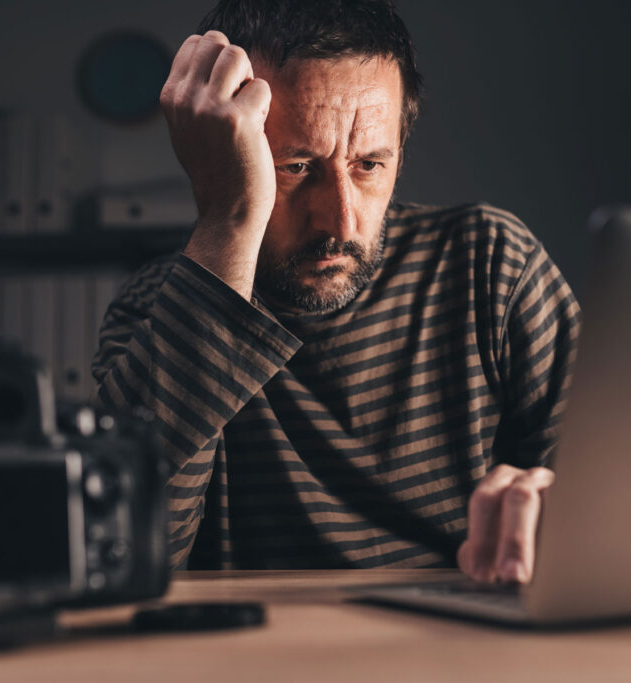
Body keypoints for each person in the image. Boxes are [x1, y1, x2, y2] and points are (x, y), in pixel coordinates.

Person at [92, 0, 579, 584]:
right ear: (225, 153)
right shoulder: (162, 311)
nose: (341, 224)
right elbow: (124, 563)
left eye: (370, 165)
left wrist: (565, 502)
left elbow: (615, 500)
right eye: (296, 166)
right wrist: (229, 219)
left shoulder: (490, 265)